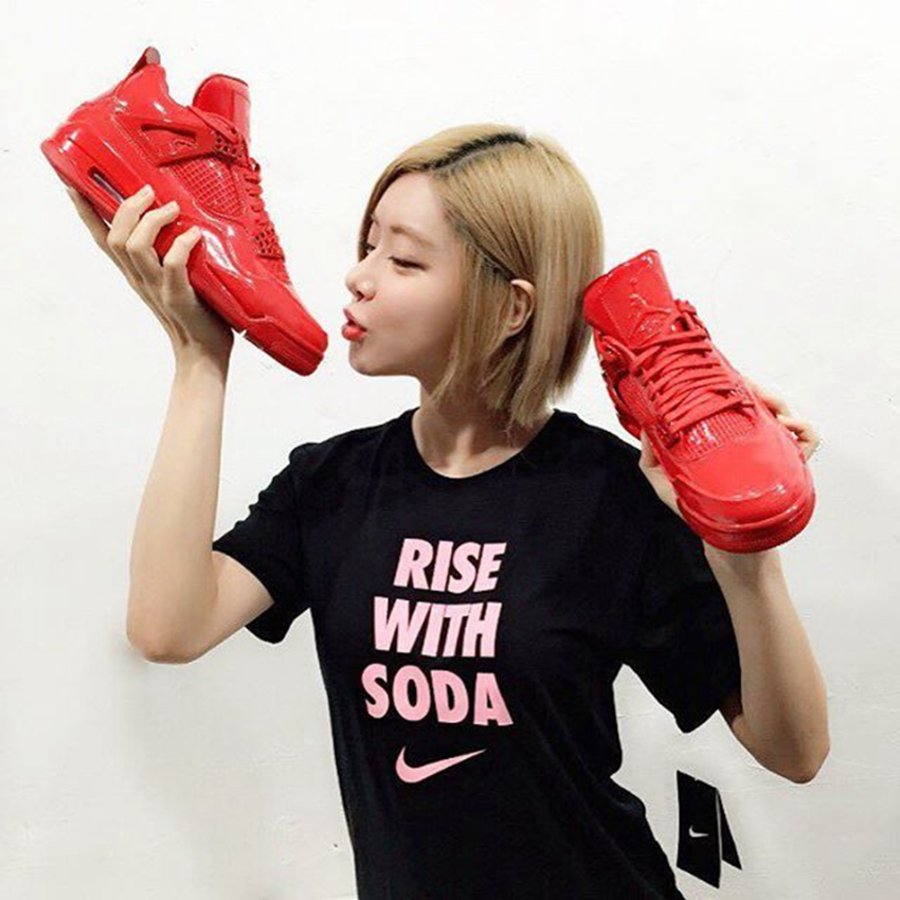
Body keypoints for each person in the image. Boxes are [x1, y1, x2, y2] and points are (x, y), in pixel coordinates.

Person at [65, 124, 825, 899]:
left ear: (511, 307)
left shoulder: (612, 495)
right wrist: (200, 360)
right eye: (368, 246)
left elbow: (793, 751)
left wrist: (746, 561)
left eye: (403, 260)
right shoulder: (331, 484)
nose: (359, 277)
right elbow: (167, 628)